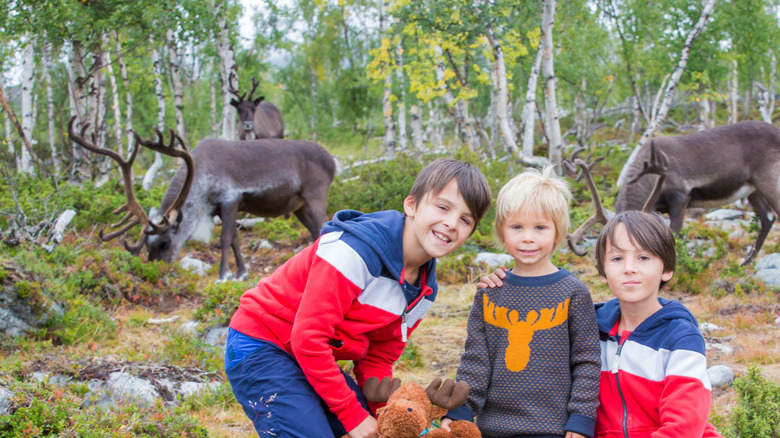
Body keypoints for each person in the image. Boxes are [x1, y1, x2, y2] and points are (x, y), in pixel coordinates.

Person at [224, 158, 492, 438]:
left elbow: (378, 357)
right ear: (411, 205)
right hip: (261, 344)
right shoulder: (352, 252)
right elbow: (308, 338)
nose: (451, 223)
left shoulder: (425, 290)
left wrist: (384, 416)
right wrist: (354, 418)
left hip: (309, 356)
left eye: (465, 219)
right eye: (442, 207)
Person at [444, 166, 601, 438]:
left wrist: (581, 418)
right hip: (491, 428)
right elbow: (476, 360)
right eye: (517, 227)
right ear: (503, 232)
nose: (528, 237)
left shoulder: (574, 292)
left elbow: (586, 361)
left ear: (557, 232)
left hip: (553, 429)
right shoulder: (489, 293)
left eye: (540, 227)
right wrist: (461, 410)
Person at [592, 210, 722, 437]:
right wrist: (508, 286)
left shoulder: (681, 338)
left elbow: (683, 427)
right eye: (617, 258)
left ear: (667, 269)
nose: (629, 268)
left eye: (643, 258)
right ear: (603, 271)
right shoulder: (590, 329)